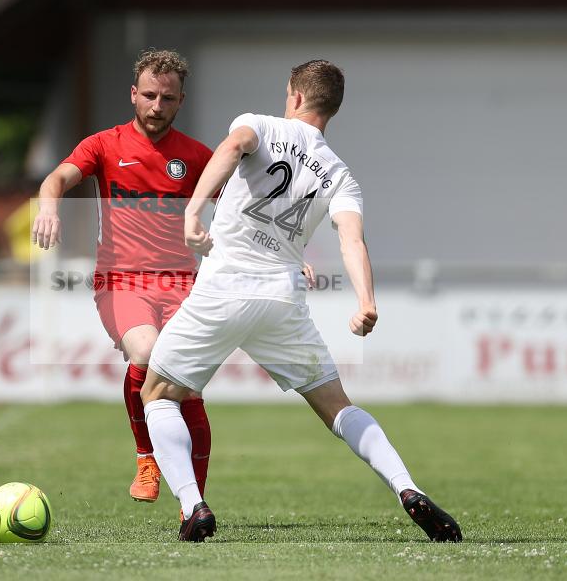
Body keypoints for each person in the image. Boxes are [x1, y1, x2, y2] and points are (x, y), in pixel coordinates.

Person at [140, 60, 463, 543]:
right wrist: (366, 300)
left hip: (225, 286)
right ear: (333, 108)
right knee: (337, 406)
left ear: (293, 94)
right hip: (282, 299)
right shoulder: (339, 173)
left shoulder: (260, 124)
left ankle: (193, 506)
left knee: (159, 394)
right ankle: (407, 488)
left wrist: (192, 210)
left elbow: (233, 146)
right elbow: (352, 239)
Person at [31, 49, 212, 506]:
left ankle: (194, 506)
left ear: (180, 101)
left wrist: (289, 255)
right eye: (148, 95)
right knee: (148, 352)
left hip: (183, 285)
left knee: (187, 388)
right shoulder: (104, 145)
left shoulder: (195, 157)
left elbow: (244, 204)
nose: (156, 105)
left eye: (167, 98)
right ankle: (146, 456)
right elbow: (56, 179)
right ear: (133, 95)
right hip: (122, 281)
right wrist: (49, 207)